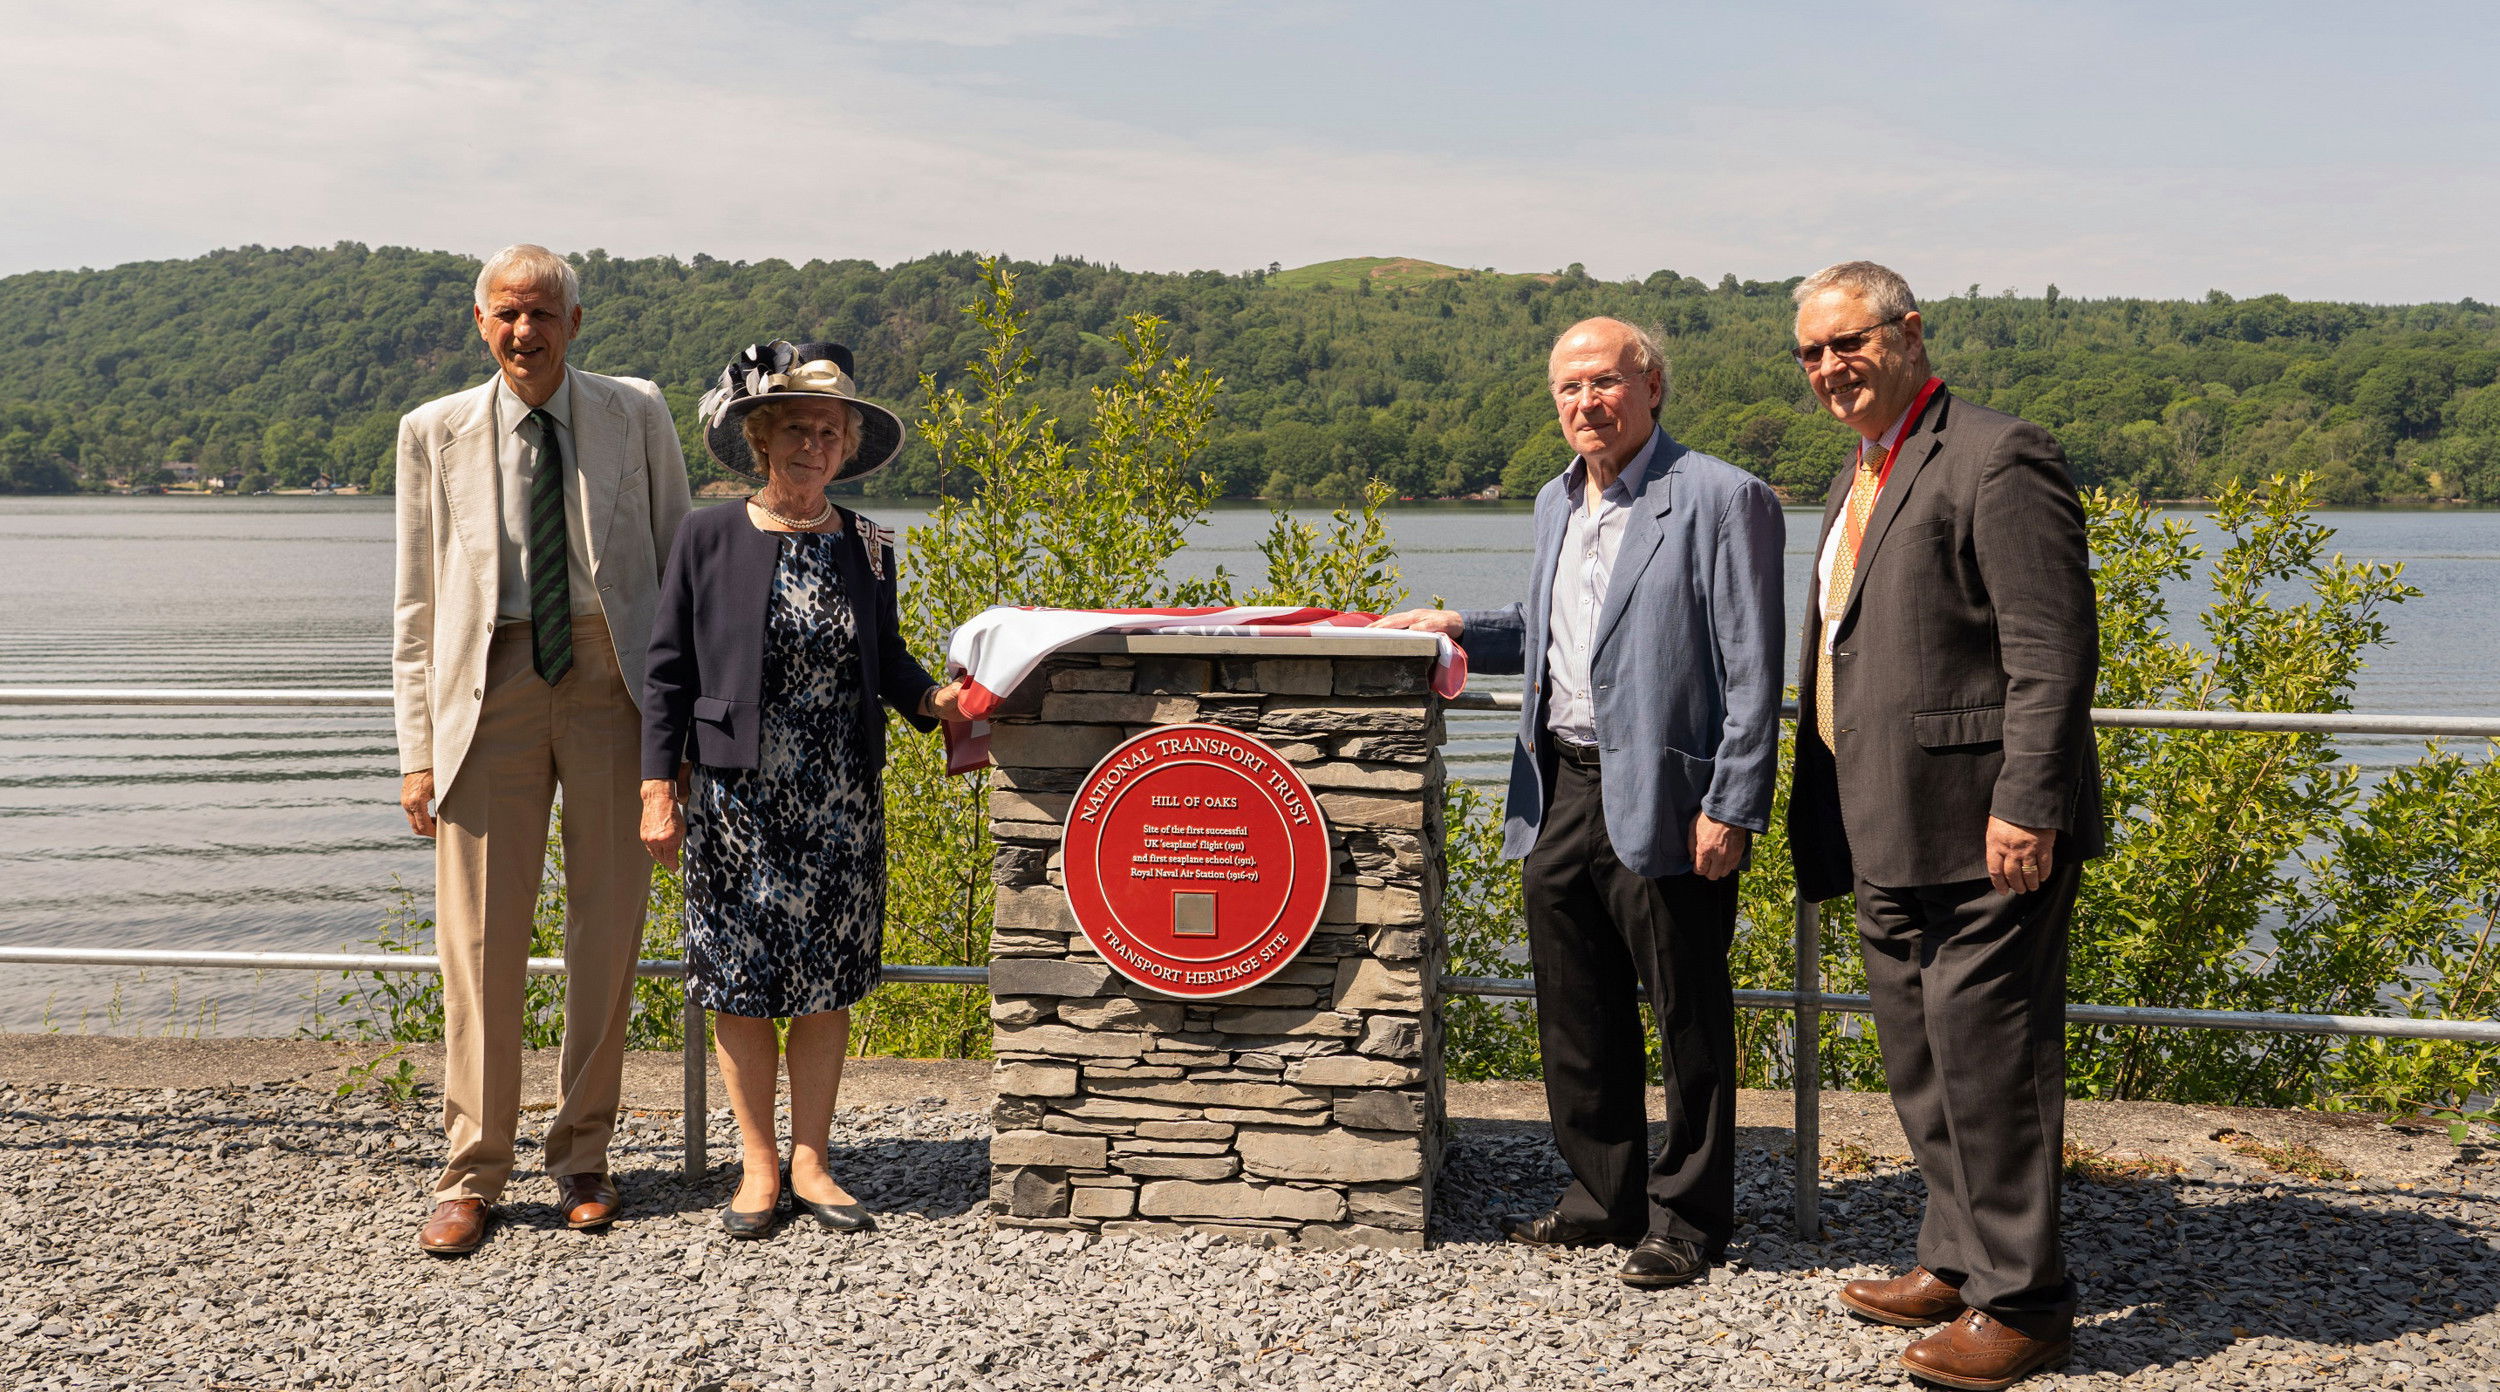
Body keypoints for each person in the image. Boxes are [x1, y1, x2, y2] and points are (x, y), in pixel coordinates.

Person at [1376, 318, 1785, 1288]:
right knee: (1574, 1005)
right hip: (1556, 784)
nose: (1584, 403)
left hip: (1673, 796)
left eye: (1603, 382)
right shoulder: (1554, 503)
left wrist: (1732, 801)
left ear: (1652, 388)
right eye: (1567, 388)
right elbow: (1555, 630)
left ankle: (1686, 1220)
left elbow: (1753, 667)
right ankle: (1602, 1196)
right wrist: (1456, 628)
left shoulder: (1725, 498)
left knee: (1687, 1012)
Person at [1785, 261, 2103, 1390]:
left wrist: (2028, 802)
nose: (1830, 367)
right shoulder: (1860, 471)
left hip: (1983, 834)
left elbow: (2051, 652)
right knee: (1923, 1065)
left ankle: (2027, 1302)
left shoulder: (1996, 454)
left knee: (1992, 1065)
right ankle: (1957, 1257)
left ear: (1909, 332)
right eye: (1812, 353)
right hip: (1883, 825)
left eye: (1849, 342)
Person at [394, 243, 692, 1255]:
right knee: (478, 946)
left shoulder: (634, 413)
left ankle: (583, 1156)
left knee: (608, 929)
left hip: (614, 682)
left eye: (544, 314)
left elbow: (678, 563)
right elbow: (416, 606)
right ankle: (472, 1170)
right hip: (489, 691)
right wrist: (416, 751)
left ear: (575, 321)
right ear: (480, 323)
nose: (526, 333)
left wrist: (674, 727)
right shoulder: (432, 432)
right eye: (507, 316)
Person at [640, 340, 966, 1238]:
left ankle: (815, 1160)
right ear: (760, 439)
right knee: (741, 985)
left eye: (829, 431)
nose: (813, 444)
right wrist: (655, 790)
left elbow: (887, 659)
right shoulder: (708, 535)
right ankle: (757, 1164)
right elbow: (666, 672)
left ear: (846, 447)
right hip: (736, 802)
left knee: (827, 984)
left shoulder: (869, 542)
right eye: (796, 429)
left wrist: (935, 701)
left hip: (840, 801)